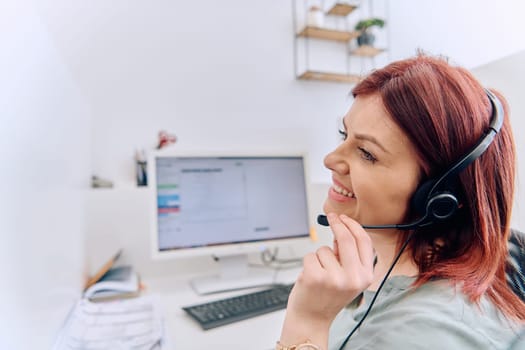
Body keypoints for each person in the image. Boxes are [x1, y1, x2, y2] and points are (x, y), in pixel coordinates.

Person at [276, 54, 525, 350]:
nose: (330, 160)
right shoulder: (478, 258)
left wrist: (306, 323)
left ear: (438, 197)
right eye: (344, 134)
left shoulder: (418, 335)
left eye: (367, 153)